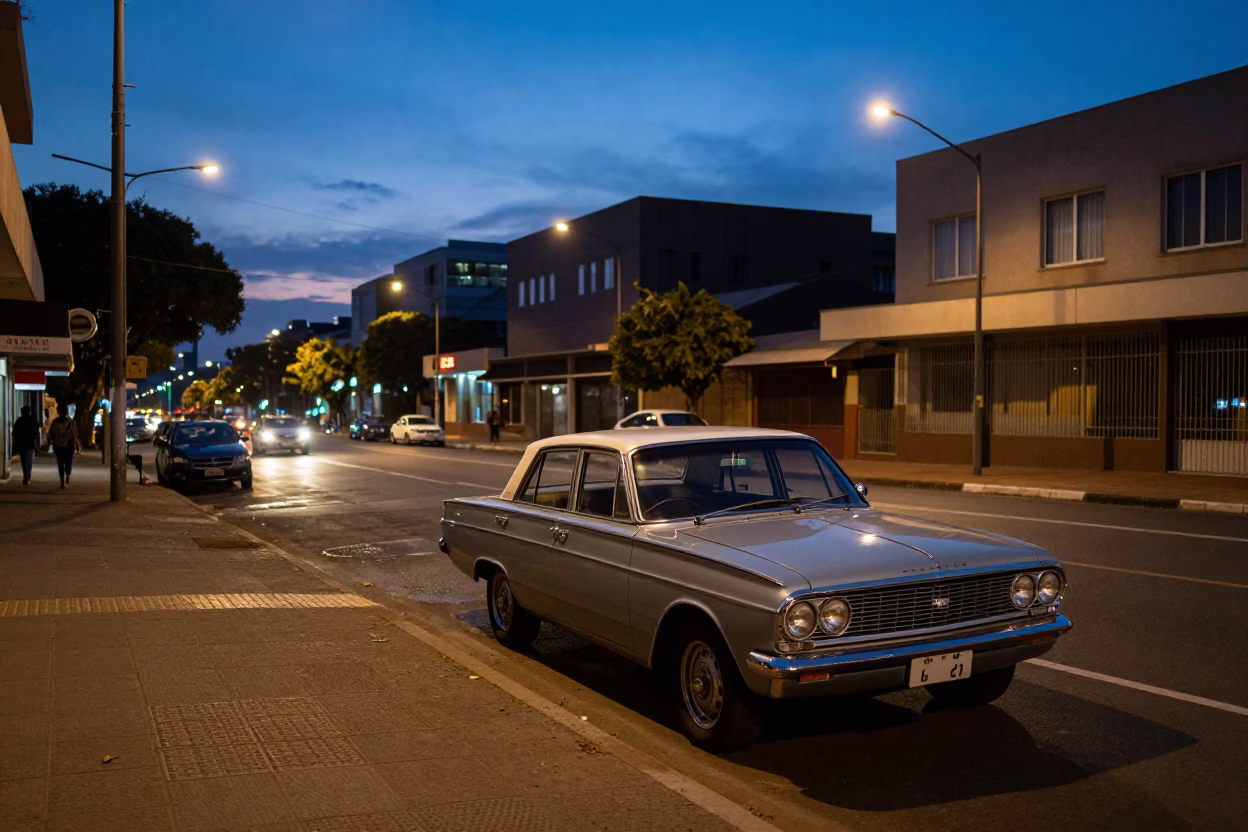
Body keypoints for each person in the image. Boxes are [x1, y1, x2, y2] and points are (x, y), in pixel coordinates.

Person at [47, 404, 80, 489]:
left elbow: (51, 434)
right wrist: (77, 444)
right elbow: (75, 433)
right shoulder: (71, 421)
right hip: (69, 443)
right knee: (69, 461)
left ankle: (62, 482)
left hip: (58, 445)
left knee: (60, 463)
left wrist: (49, 443)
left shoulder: (55, 421)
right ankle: (67, 478)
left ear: (58, 411)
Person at [10, 405, 40, 485]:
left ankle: (25, 476)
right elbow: (37, 432)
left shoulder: (20, 420)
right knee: (29, 460)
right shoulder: (32, 420)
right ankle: (28, 475)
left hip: (22, 443)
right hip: (30, 443)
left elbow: (14, 433)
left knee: (23, 460)